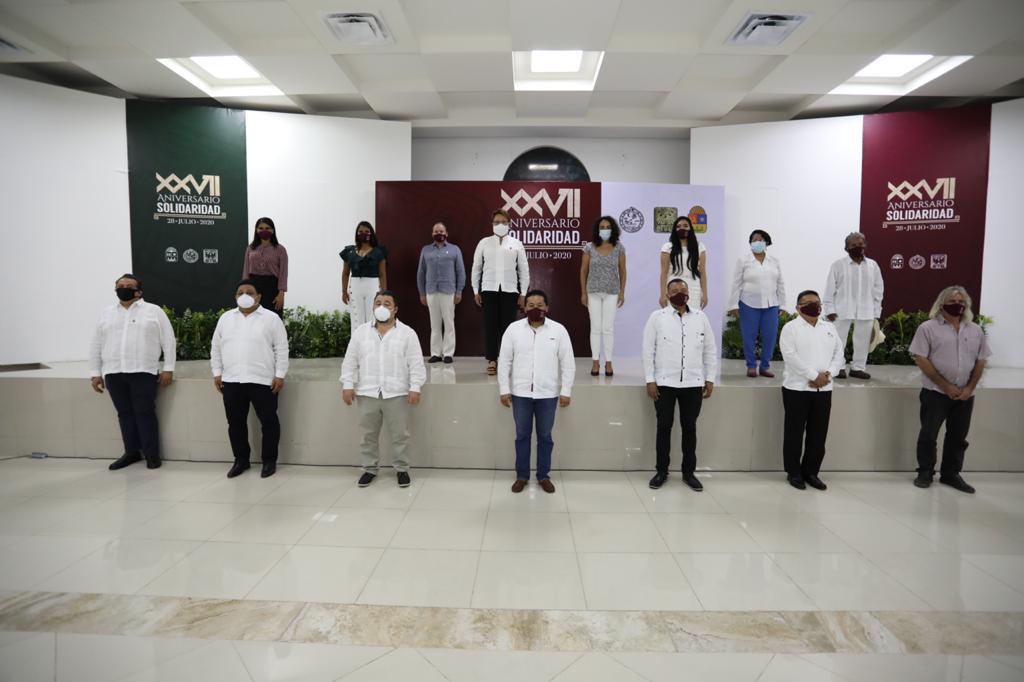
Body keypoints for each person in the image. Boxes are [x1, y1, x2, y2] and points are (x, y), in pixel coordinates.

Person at [909, 286, 991, 494]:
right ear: (942, 304)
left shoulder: (975, 330)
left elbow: (981, 360)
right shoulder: (928, 328)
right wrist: (945, 386)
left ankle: (951, 474)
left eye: (961, 302)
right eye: (953, 301)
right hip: (935, 393)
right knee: (928, 435)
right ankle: (925, 472)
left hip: (965, 395)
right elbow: (920, 358)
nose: (958, 305)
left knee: (958, 437)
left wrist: (969, 388)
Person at [89, 274, 176, 471]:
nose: (124, 288)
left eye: (129, 285)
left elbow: (168, 340)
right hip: (114, 372)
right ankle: (131, 452)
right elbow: (96, 343)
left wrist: (168, 368)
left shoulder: (153, 311)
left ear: (139, 291)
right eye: (120, 285)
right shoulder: (106, 313)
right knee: (124, 414)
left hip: (143, 371)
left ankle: (152, 455)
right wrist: (95, 372)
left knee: (145, 413)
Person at [341, 290, 426, 488]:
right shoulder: (361, 332)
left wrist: (415, 387)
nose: (382, 306)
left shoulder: (407, 333)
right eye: (378, 303)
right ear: (373, 307)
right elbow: (350, 361)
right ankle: (369, 469)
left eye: (387, 303)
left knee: (400, 435)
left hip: (396, 393)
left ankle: (402, 469)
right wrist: (347, 385)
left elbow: (416, 363)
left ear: (395, 309)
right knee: (368, 435)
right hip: (367, 392)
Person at [642, 279, 717, 491]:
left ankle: (688, 473)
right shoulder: (657, 317)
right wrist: (650, 379)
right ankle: (661, 471)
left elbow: (710, 350)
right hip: (664, 383)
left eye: (683, 290)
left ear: (689, 293)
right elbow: (647, 350)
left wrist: (710, 378)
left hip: (693, 383)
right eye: (674, 290)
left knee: (690, 428)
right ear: (667, 295)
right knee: (664, 427)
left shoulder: (701, 318)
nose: (679, 293)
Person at [210, 280, 289, 479]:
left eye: (250, 292)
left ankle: (269, 461)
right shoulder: (226, 318)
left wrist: (280, 375)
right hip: (232, 380)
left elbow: (281, 348)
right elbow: (216, 347)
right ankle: (241, 460)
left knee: (269, 422)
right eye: (240, 292)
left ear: (258, 297)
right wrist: (217, 372)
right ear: (235, 296)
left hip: (263, 380)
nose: (244, 295)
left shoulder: (271, 318)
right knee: (235, 423)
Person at [498, 290, 574, 493]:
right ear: (524, 308)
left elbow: (568, 363)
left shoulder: (558, 330)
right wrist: (504, 388)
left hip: (547, 394)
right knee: (522, 436)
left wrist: (566, 390)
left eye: (539, 305)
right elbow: (504, 362)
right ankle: (522, 476)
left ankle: (543, 476)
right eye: (530, 305)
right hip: (520, 393)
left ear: (547, 308)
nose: (535, 309)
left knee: (545, 437)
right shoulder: (513, 330)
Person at [778, 290, 844, 491]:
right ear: (798, 307)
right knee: (794, 433)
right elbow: (790, 356)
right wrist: (814, 376)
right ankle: (794, 472)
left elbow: (839, 354)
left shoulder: (829, 327)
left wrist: (828, 375)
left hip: (824, 389)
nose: (814, 306)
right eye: (808, 303)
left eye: (817, 302)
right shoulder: (791, 328)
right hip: (797, 388)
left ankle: (811, 472)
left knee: (818, 433)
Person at [472, 209, 530, 375]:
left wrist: (523, 293)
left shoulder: (517, 244)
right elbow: (476, 268)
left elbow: (524, 270)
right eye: (497, 222)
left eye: (504, 222)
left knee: (508, 328)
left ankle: (506, 360)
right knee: (490, 326)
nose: (500, 225)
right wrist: (476, 290)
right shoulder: (484, 243)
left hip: (510, 291)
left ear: (509, 224)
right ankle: (492, 359)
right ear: (492, 224)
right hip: (488, 290)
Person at [823, 232, 884, 379]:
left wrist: (876, 312)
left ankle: (858, 368)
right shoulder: (838, 265)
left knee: (863, 341)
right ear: (846, 248)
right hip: (840, 309)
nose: (857, 247)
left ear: (865, 245)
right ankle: (839, 368)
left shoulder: (873, 265)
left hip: (866, 310)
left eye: (860, 244)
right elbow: (830, 288)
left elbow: (878, 289)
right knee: (839, 340)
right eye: (853, 245)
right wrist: (829, 309)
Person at [728, 229, 787, 378]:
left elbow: (780, 283)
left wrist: (783, 304)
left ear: (766, 242)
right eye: (754, 240)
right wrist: (733, 305)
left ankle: (765, 366)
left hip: (771, 304)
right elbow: (736, 283)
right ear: (750, 243)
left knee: (770, 336)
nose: (757, 242)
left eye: (760, 240)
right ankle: (751, 366)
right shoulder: (743, 260)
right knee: (749, 336)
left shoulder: (774, 261)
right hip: (748, 304)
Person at [580, 215, 627, 377]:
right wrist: (583, 292)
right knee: (595, 327)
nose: (605, 230)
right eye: (602, 227)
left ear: (613, 230)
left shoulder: (619, 247)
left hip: (612, 292)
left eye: (608, 227)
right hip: (592, 291)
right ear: (597, 230)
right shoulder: (589, 247)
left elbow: (623, 270)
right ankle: (595, 361)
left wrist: (622, 292)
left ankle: (608, 362)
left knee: (607, 328)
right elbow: (583, 271)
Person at [417, 222, 466, 364]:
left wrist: (459, 291)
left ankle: (448, 353)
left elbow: (460, 271)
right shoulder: (426, 250)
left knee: (449, 323)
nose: (439, 233)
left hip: (448, 291)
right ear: (432, 234)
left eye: (441, 231)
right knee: (435, 324)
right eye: (436, 231)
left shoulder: (454, 250)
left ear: (446, 233)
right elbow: (421, 273)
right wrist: (422, 293)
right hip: (431, 291)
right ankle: (436, 353)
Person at [341, 221, 388, 329]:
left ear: (371, 234)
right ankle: (357, 339)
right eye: (360, 231)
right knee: (356, 319)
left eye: (367, 231)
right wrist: (344, 291)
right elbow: (345, 273)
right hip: (355, 288)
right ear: (356, 234)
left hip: (372, 287)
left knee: (373, 318)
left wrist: (384, 294)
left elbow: (382, 274)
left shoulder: (378, 252)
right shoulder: (349, 252)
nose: (363, 233)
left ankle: (373, 340)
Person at [241, 217, 288, 316]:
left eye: (267, 228)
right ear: (256, 230)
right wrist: (245, 290)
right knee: (252, 316)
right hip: (253, 286)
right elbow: (246, 270)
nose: (264, 231)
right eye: (261, 228)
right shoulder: (250, 248)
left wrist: (281, 293)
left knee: (272, 316)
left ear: (273, 230)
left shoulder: (280, 249)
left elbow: (283, 273)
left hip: (272, 287)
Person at [659, 216, 707, 309]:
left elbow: (702, 273)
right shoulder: (667, 247)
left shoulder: (699, 247)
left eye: (685, 226)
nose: (682, 228)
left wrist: (704, 294)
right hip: (674, 287)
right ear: (675, 229)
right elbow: (664, 273)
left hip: (694, 288)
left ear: (690, 228)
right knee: (674, 315)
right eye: (678, 226)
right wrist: (662, 294)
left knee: (693, 315)